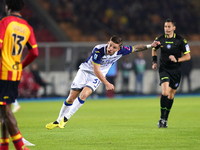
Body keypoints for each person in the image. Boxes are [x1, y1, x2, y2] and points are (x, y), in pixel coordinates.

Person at [46, 35, 160, 130]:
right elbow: (96, 70)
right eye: (110, 45)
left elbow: (137, 48)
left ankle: (65, 119)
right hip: (85, 71)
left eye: (113, 47)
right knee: (71, 98)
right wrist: (107, 83)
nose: (110, 48)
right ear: (108, 43)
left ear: (118, 49)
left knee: (84, 94)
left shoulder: (123, 51)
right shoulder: (98, 50)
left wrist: (151, 45)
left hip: (96, 76)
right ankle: (57, 120)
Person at [0, 0, 38, 150]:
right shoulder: (27, 27)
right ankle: (3, 146)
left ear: (7, 6)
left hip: (3, 72)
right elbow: (34, 52)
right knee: (4, 110)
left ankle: (20, 147)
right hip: (15, 72)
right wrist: (20, 65)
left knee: (6, 112)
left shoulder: (5, 22)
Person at [152, 18, 191, 128]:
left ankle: (165, 118)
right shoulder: (159, 39)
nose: (167, 29)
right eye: (165, 27)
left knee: (171, 95)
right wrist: (154, 61)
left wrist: (177, 59)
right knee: (165, 92)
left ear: (174, 28)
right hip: (164, 69)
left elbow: (188, 56)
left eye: (169, 27)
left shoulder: (180, 40)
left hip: (176, 71)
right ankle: (161, 118)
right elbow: (154, 48)